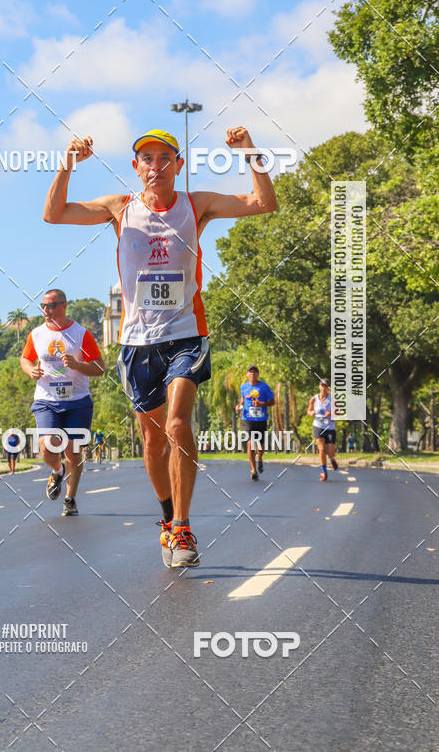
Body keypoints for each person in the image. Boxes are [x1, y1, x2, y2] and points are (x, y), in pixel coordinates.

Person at [43, 125, 277, 566]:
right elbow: (54, 213)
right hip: (136, 343)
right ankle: (168, 519)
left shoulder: (196, 204)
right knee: (152, 443)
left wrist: (249, 151)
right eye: (147, 160)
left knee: (177, 425)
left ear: (177, 166)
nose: (156, 167)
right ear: (136, 168)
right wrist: (67, 163)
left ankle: (184, 529)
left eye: (164, 158)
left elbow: (264, 203)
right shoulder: (119, 208)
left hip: (186, 334)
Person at [20, 289, 105, 515]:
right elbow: (25, 359)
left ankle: (70, 499)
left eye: (51, 306)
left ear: (64, 306)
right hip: (47, 399)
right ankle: (57, 471)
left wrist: (77, 366)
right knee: (47, 445)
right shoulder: (36, 334)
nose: (46, 311)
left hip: (77, 401)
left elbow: (99, 368)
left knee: (74, 453)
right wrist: (31, 370)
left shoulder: (81, 334)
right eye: (43, 306)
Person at [235, 366, 275, 481]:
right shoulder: (243, 387)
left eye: (254, 372)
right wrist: (239, 406)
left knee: (260, 447)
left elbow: (272, 402)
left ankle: (260, 458)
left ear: (258, 374)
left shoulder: (264, 387)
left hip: (261, 419)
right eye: (250, 372)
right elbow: (243, 400)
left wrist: (261, 404)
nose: (252, 374)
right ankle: (253, 469)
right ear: (247, 374)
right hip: (247, 418)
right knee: (250, 443)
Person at [307, 378, 338, 480]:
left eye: (326, 386)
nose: (324, 388)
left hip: (330, 428)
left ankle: (332, 460)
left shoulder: (332, 399)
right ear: (319, 386)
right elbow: (309, 411)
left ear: (328, 388)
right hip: (318, 426)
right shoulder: (314, 399)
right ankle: (324, 472)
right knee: (321, 449)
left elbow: (339, 413)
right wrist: (311, 413)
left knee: (330, 453)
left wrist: (331, 414)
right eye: (322, 386)